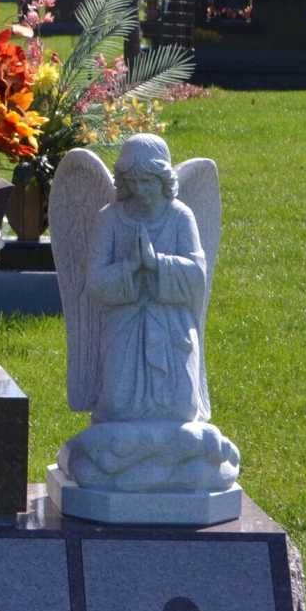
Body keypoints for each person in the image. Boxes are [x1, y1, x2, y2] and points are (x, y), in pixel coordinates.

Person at [83, 135, 210, 423]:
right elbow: (95, 282)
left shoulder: (180, 217)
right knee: (117, 406)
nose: (141, 191)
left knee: (181, 408)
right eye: (133, 182)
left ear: (164, 180)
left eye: (148, 182)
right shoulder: (110, 219)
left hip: (171, 325)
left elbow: (197, 277)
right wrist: (130, 267)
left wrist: (157, 264)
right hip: (125, 322)